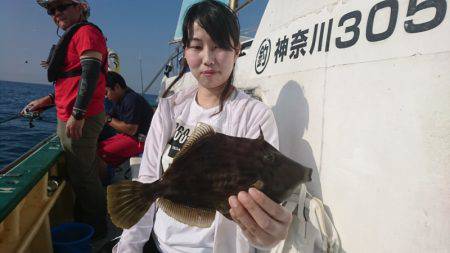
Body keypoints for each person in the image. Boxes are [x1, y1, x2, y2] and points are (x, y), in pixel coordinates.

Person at [114, 1, 292, 252]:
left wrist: (264, 235)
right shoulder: (169, 109)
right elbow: (147, 182)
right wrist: (128, 247)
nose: (208, 59)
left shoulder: (255, 116)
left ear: (237, 50)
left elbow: (259, 204)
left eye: (219, 46)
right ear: (185, 51)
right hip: (162, 245)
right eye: (197, 46)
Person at [23, 0, 108, 238]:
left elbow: (90, 75)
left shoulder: (87, 32)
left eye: (61, 7)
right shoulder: (76, 35)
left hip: (82, 117)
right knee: (81, 172)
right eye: (51, 10)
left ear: (80, 7)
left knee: (84, 176)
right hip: (71, 116)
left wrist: (78, 115)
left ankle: (98, 231)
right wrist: (47, 101)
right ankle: (89, 220)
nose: (56, 13)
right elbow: (71, 81)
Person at [97, 71, 154, 170]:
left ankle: (106, 180)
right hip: (130, 137)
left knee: (102, 153)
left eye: (106, 92)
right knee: (98, 147)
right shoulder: (118, 99)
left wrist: (108, 119)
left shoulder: (131, 100)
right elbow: (108, 115)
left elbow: (131, 130)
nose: (106, 97)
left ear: (117, 87)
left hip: (142, 141)